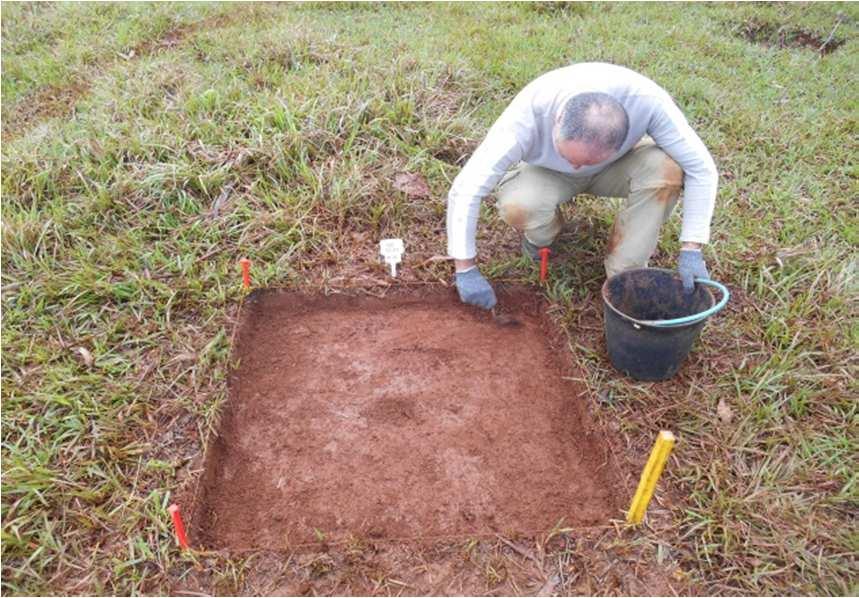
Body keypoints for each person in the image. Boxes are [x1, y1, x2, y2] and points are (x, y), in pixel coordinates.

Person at [446, 62, 717, 310]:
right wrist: (465, 268)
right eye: (570, 157)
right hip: (546, 172)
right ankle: (542, 236)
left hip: (616, 168)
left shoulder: (647, 102)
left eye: (587, 160)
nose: (578, 167)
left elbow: (701, 168)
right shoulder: (526, 117)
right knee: (519, 205)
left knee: (668, 167)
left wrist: (692, 248)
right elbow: (467, 188)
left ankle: (626, 271)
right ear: (558, 121)